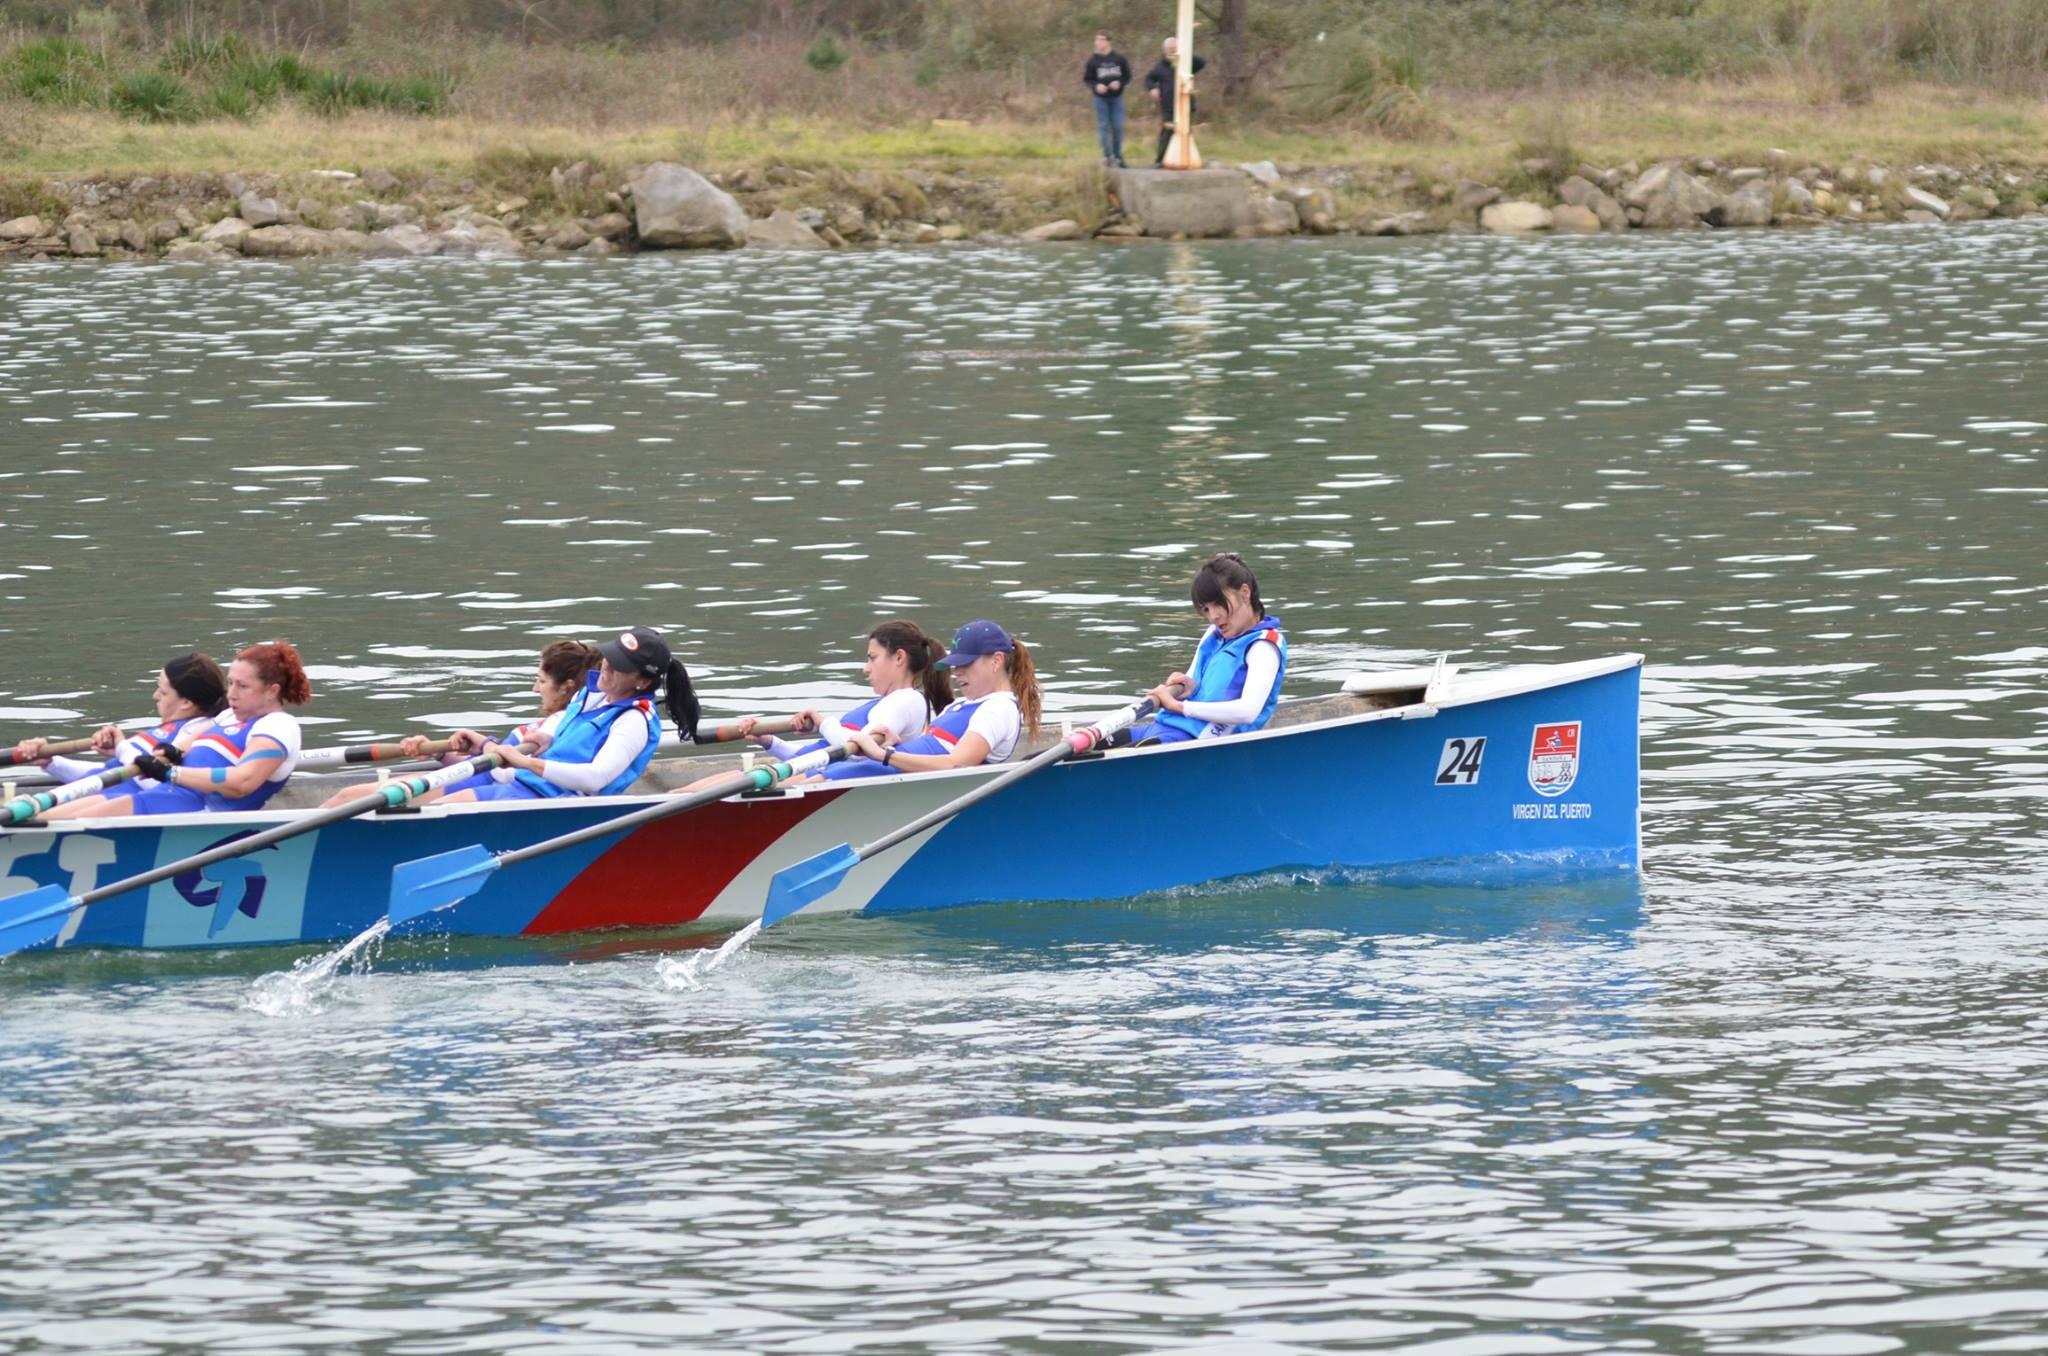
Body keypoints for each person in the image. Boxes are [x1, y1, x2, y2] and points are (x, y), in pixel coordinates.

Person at [317, 639, 601, 809]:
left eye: (540, 681)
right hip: (482, 778)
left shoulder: (561, 723)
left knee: (348, 800)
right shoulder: (555, 720)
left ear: (565, 688)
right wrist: (441, 753)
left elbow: (510, 764)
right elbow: (498, 763)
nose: (534, 690)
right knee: (347, 796)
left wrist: (484, 743)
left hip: (497, 788)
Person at [44, 641, 313, 819]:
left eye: (242, 687)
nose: (231, 694)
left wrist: (171, 772)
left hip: (197, 813)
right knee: (43, 818)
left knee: (65, 820)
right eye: (230, 683)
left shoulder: (279, 726)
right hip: (167, 798)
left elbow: (242, 783)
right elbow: (187, 744)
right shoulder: (229, 716)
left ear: (272, 691)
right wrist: (169, 752)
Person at [438, 625, 699, 804]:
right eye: (610, 656)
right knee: (408, 798)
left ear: (641, 682)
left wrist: (526, 761)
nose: (607, 666)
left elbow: (596, 778)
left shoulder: (634, 721)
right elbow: (557, 731)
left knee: (428, 809)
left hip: (547, 801)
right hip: (521, 784)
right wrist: (487, 745)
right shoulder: (592, 693)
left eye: (619, 666)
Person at [709, 620, 951, 789]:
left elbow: (859, 751)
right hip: (801, 770)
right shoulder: (888, 702)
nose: (866, 668)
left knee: (684, 795)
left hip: (812, 778)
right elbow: (815, 755)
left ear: (899, 658)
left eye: (872, 658)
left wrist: (824, 723)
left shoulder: (906, 700)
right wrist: (769, 741)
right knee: (684, 794)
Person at [830, 620, 1041, 779]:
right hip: (892, 770)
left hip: (898, 777)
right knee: (831, 770)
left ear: (996, 661)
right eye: (955, 666)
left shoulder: (998, 708)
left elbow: (956, 764)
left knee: (833, 773)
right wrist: (896, 742)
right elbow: (928, 747)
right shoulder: (960, 704)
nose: (957, 673)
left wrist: (883, 755)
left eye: (965, 664)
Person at [11, 652, 228, 802]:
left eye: (162, 692)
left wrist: (123, 748)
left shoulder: (197, 733)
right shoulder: (172, 730)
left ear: (186, 702)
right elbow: (102, 776)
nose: (154, 696)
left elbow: (164, 788)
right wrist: (51, 762)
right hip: (100, 797)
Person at [1128, 553, 1286, 745]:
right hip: (1164, 725)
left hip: (1198, 740)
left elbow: (1248, 711)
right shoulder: (1214, 634)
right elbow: (1194, 680)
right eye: (1206, 609)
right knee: (1092, 743)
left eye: (1218, 604)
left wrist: (1180, 707)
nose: (1213, 617)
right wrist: (1186, 686)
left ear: (1245, 593)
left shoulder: (1263, 646)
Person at [1144, 36, 1207, 167]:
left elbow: (1202, 62)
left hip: (1187, 104)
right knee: (1167, 132)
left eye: (1175, 49)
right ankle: (1160, 160)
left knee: (1185, 132)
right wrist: (1153, 89)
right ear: (1165, 51)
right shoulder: (1160, 66)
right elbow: (1149, 79)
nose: (1173, 52)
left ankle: (1186, 159)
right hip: (1169, 105)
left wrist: (1185, 53)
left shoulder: (1187, 63)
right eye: (1170, 49)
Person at [1082, 31, 1133, 168]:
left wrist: (1119, 83)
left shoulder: (1119, 59)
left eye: (1101, 40)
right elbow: (1087, 79)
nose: (1097, 43)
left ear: (1108, 42)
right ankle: (1107, 156)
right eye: (1096, 40)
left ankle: (1118, 156)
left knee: (1117, 127)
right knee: (1104, 127)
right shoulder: (1092, 61)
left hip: (1117, 98)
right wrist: (1096, 86)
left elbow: (1127, 76)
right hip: (1101, 99)